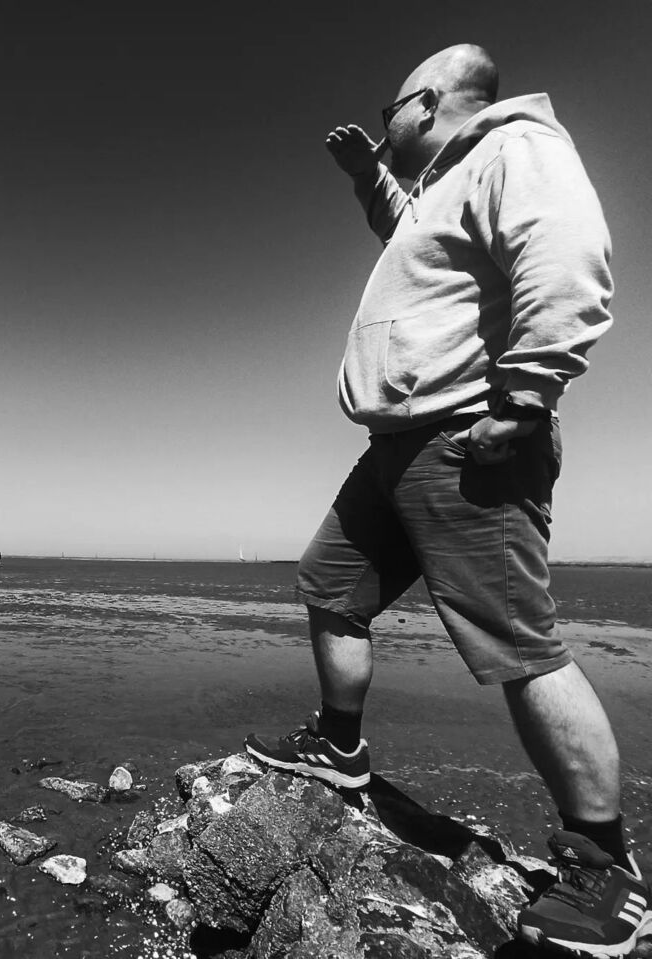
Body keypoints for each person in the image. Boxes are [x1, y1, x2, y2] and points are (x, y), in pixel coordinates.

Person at [244, 44, 650, 956]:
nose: (382, 119)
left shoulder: (519, 149)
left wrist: (528, 391)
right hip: (396, 443)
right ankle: (342, 750)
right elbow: (411, 239)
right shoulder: (441, 182)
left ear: (426, 103)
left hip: (468, 430)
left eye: (391, 109)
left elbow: (571, 252)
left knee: (514, 639)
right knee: (331, 582)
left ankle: (607, 873)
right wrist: (367, 178)